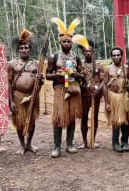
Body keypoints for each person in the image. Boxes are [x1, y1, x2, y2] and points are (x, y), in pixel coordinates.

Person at [46, 17, 83, 158]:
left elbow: (82, 75)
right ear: (60, 42)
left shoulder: (76, 57)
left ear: (72, 43)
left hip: (73, 89)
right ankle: (56, 146)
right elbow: (47, 75)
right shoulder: (54, 56)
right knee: (58, 118)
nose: (67, 43)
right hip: (60, 89)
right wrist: (57, 75)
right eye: (64, 41)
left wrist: (76, 74)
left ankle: (70, 144)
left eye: (69, 41)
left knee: (72, 117)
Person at [8, 29, 44, 155]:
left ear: (30, 49)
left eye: (26, 47)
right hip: (17, 97)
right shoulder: (12, 64)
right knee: (19, 121)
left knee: (32, 121)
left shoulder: (36, 64)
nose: (24, 50)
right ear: (18, 49)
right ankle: (22, 145)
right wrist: (10, 101)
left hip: (32, 97)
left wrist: (40, 80)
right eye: (22, 47)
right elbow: (8, 83)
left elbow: (41, 82)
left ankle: (29, 143)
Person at [104, 47, 129, 152]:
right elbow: (105, 85)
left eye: (118, 55)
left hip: (124, 97)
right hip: (113, 97)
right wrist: (106, 102)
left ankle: (125, 142)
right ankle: (115, 143)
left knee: (125, 120)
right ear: (111, 57)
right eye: (114, 55)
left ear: (122, 56)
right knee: (116, 120)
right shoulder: (108, 69)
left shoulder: (127, 68)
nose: (116, 57)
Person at [77, 39, 104, 149]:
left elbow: (103, 80)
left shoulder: (99, 65)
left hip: (96, 96)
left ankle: (93, 140)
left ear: (93, 52)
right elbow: (77, 80)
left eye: (90, 51)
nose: (88, 53)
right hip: (84, 96)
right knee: (84, 117)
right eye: (85, 51)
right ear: (83, 52)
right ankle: (84, 141)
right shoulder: (79, 66)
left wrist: (98, 90)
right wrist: (83, 87)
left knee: (95, 117)